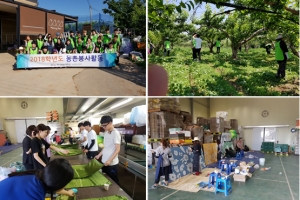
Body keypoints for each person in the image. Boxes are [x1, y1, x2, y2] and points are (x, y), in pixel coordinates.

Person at [0, 158, 75, 199]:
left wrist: (67, 193)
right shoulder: (35, 194)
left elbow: (51, 186)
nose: (64, 187)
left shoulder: (36, 175)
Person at [95, 116, 121, 185]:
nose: (104, 127)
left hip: (112, 164)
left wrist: (109, 160)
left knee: (113, 181)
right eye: (102, 126)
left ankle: (116, 193)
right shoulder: (106, 133)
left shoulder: (115, 133)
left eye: (105, 125)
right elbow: (105, 147)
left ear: (110, 123)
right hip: (104, 162)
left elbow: (117, 149)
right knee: (106, 179)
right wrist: (99, 155)